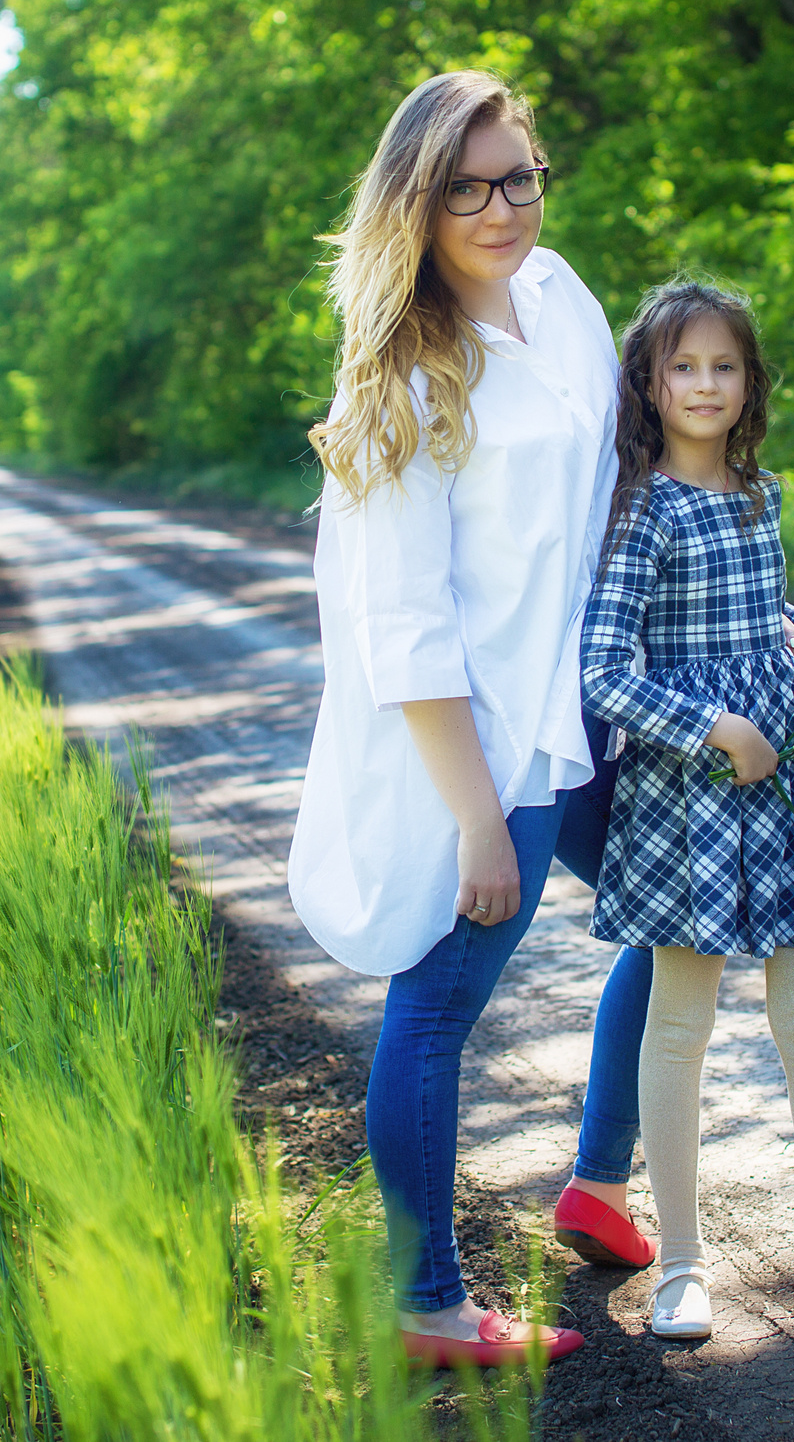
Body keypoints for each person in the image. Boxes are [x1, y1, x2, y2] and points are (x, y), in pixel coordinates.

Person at [287, 68, 611, 1369]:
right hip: (487, 747)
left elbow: (621, 489)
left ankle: (600, 1177)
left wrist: (764, 618)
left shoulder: (561, 296)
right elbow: (404, 626)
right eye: (466, 189)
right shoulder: (404, 382)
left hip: (590, 703)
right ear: (417, 204)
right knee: (434, 1007)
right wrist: (478, 814)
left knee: (682, 906)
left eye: (518, 177)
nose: (500, 208)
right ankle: (425, 1302)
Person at [575, 278, 794, 1350]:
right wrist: (717, 728)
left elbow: (760, 617)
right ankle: (680, 1268)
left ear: (750, 382)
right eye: (683, 366)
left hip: (793, 780)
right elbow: (603, 671)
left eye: (724, 365)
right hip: (692, 793)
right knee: (679, 1023)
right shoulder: (643, 510)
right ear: (649, 383)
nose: (705, 384)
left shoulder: (760, 495)